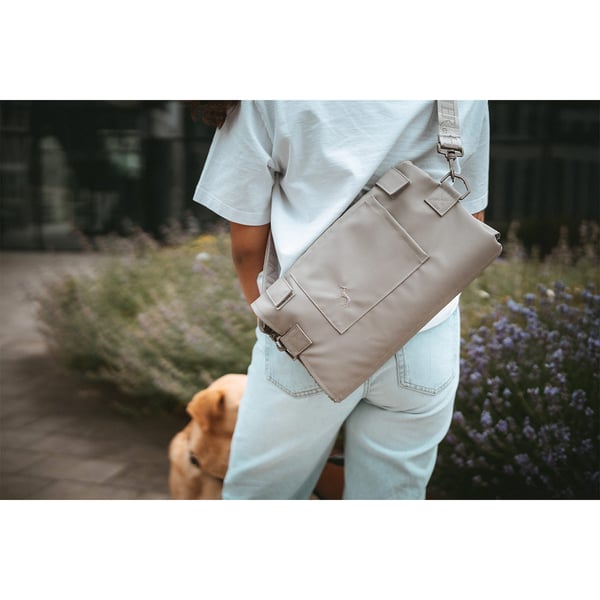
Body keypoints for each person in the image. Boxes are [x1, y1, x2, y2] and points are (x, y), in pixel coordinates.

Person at [193, 100, 489, 499]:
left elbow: (247, 247)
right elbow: (470, 223)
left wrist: (274, 323)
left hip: (306, 334)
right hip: (423, 335)